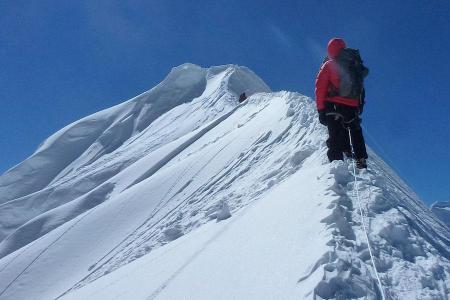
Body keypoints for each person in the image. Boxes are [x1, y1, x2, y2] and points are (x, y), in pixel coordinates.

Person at [315, 38, 369, 169]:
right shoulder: (354, 65)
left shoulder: (329, 65)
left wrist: (321, 110)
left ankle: (336, 166)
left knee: (334, 133)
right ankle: (360, 159)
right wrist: (358, 107)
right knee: (355, 129)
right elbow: (361, 90)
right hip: (352, 106)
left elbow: (320, 88)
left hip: (332, 105)